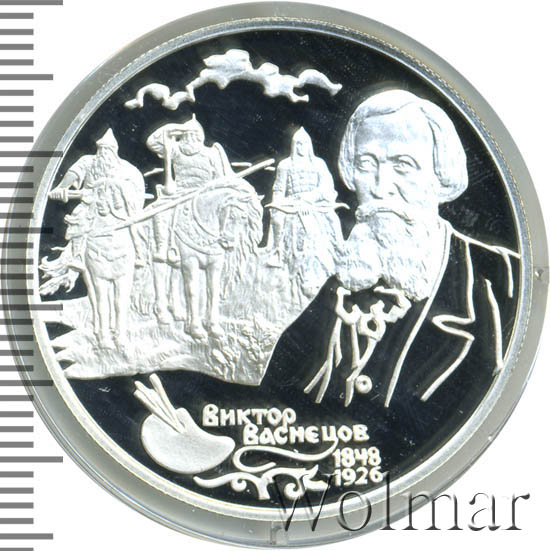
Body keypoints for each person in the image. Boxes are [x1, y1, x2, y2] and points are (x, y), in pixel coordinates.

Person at [306, 89, 519, 407]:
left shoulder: (506, 283)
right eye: (366, 163)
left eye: (403, 165)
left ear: (441, 176)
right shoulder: (330, 286)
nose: (380, 187)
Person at [145, 115, 235, 324]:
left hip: (206, 196)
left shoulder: (211, 153)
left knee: (230, 214)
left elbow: (220, 178)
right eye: (188, 133)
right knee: (162, 215)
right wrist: (176, 128)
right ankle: (163, 248)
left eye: (196, 133)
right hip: (179, 195)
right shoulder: (175, 149)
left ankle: (227, 241)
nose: (192, 137)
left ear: (201, 136)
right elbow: (152, 141)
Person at [49, 129, 146, 271]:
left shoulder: (127, 169)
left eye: (107, 149)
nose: (103, 153)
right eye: (101, 149)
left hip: (117, 208)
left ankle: (139, 253)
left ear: (114, 151)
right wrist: (61, 189)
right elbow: (72, 175)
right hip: (90, 206)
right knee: (79, 219)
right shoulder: (88, 162)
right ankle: (77, 257)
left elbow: (137, 189)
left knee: (134, 224)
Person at [268, 127, 343, 299]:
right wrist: (280, 204)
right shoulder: (285, 165)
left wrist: (309, 198)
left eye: (304, 144)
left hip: (315, 204)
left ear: (309, 145)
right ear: (293, 146)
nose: (301, 147)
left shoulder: (318, 164)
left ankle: (338, 249)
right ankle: (277, 252)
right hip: (291, 204)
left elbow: (326, 187)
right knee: (278, 219)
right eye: (298, 144)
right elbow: (279, 189)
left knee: (332, 219)